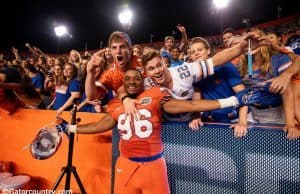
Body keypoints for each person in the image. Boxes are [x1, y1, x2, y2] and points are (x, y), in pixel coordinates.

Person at [57, 69, 241, 194]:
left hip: (153, 165)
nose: (132, 82)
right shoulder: (116, 104)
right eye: (127, 79)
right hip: (125, 164)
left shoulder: (154, 94)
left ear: (143, 81)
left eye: (136, 78)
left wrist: (230, 101)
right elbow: (102, 125)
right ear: (123, 82)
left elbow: (189, 104)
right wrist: (70, 128)